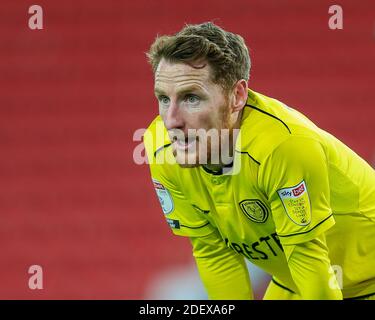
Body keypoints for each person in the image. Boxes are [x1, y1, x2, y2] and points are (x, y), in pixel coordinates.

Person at [143, 22, 375, 300]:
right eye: (163, 99)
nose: (171, 121)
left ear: (237, 96)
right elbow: (213, 251)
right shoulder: (162, 147)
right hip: (297, 281)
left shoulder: (282, 147)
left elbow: (309, 261)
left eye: (191, 98)